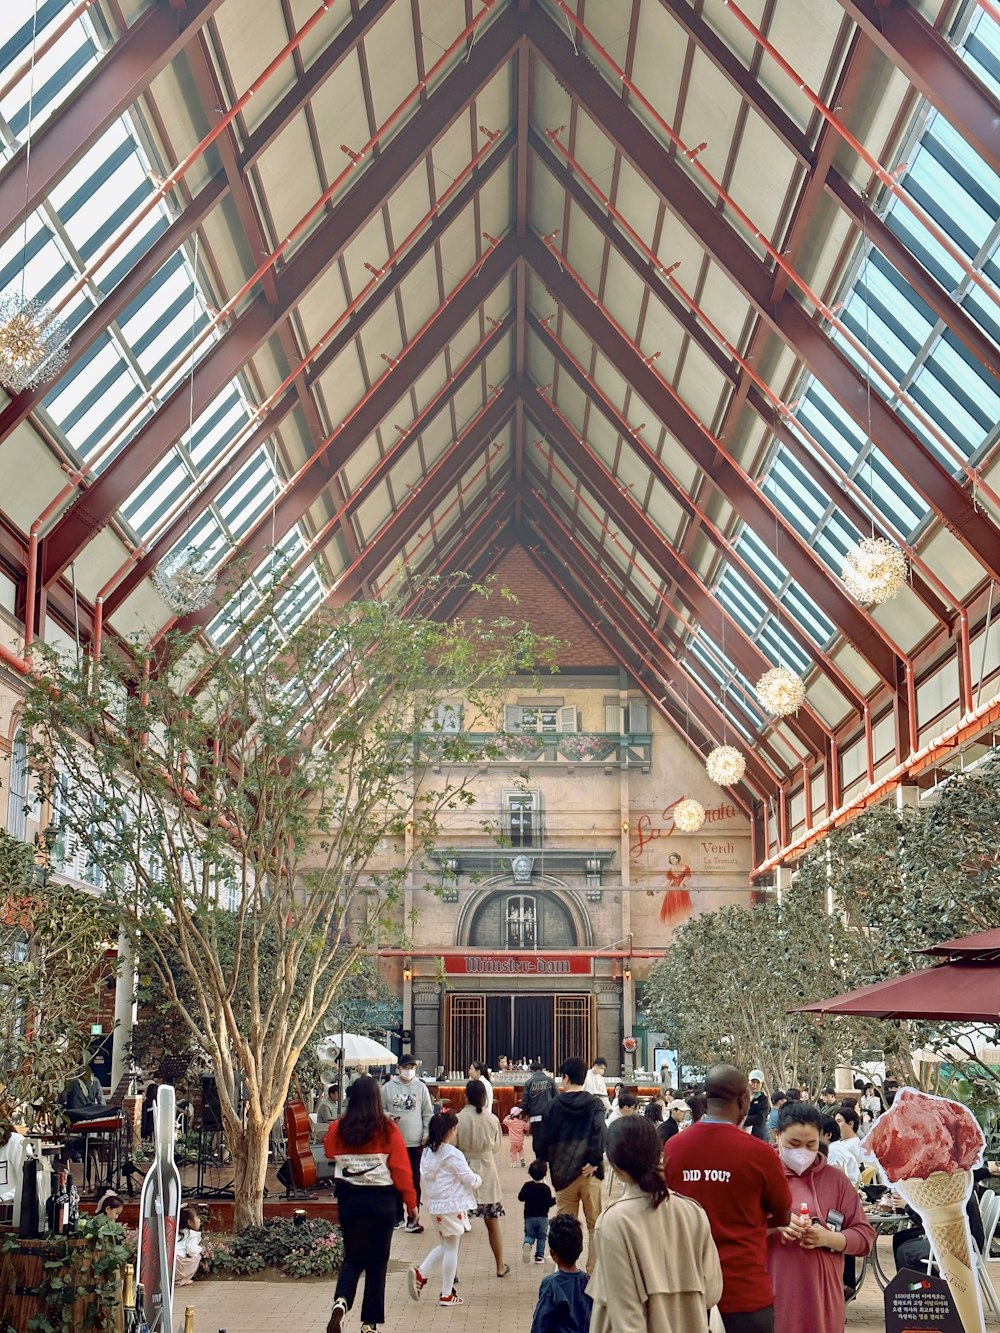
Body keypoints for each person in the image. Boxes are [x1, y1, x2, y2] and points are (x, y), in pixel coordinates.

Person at [664, 1063, 791, 1333]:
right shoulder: (760, 1154)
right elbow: (783, 1214)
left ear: (706, 1097)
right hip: (744, 1292)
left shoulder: (674, 1147)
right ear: (743, 1100)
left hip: (687, 1291)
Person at [590, 1116, 723, 1333]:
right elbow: (713, 1291)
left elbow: (627, 1318)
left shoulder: (614, 1221)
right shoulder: (692, 1212)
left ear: (616, 1166)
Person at [766, 1102, 874, 1333]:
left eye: (811, 1144)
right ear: (777, 1136)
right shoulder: (760, 1175)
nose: (802, 1152)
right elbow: (734, 1231)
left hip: (821, 1297)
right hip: (771, 1292)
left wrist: (828, 1238)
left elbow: (865, 1238)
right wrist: (773, 1224)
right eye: (793, 1144)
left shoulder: (836, 1180)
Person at [324, 1074, 417, 1333]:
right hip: (382, 1203)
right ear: (377, 1099)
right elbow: (401, 1170)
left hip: (350, 1202)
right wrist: (411, 1203)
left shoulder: (339, 1128)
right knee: (377, 1262)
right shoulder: (388, 1129)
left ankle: (341, 1301)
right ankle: (369, 1324)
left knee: (353, 1258)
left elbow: (330, 1150)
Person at [532, 1056, 606, 1275]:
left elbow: (542, 1142)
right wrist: (593, 1160)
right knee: (595, 1225)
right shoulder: (595, 1104)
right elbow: (601, 1132)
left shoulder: (553, 1106)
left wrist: (546, 1158)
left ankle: (566, 1271)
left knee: (566, 1226)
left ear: (565, 1078)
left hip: (563, 1175)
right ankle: (593, 1274)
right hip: (590, 1174)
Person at [408, 1111, 480, 1308]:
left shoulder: (427, 1152)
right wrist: (478, 1179)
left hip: (436, 1205)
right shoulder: (452, 1154)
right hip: (452, 1205)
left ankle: (424, 1275)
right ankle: (444, 1292)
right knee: (451, 1249)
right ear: (449, 1131)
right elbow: (467, 1177)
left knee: (446, 1246)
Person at [455, 1077, 508, 1277]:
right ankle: (500, 1266)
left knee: (458, 1223)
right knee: (492, 1221)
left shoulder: (458, 1119)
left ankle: (454, 1270)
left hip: (464, 1171)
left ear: (465, 1096)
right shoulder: (491, 1119)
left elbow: (453, 1145)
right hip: (487, 1171)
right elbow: (495, 1147)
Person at [381, 1054, 433, 1232]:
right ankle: (397, 1216)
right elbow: (379, 1111)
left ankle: (413, 1217)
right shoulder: (387, 1088)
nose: (409, 1071)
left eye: (412, 1067)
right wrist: (388, 1116)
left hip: (415, 1142)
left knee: (413, 1180)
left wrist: (426, 1132)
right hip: (394, 1142)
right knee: (394, 1179)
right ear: (398, 1068)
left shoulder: (420, 1087)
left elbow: (427, 1112)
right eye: (406, 1067)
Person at [529, 1214, 592, 1333]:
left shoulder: (551, 1284)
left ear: (553, 1253)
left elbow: (540, 1323)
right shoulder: (589, 1282)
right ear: (581, 1248)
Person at [519, 1157, 555, 1264]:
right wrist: (556, 1199)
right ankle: (539, 1257)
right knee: (541, 1237)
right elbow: (549, 1202)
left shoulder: (527, 1186)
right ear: (545, 1174)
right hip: (542, 1217)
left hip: (529, 1216)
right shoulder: (545, 1188)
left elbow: (521, 1197)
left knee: (529, 1235)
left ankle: (527, 1243)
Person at [521, 1060, 557, 1136]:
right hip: (549, 1115)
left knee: (537, 1138)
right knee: (548, 1139)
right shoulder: (550, 1080)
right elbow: (557, 1097)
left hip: (535, 1115)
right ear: (542, 1069)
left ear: (531, 1070)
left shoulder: (528, 1082)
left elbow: (525, 1101)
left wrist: (526, 1113)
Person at [175, 1203, 203, 1286]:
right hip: (179, 1263)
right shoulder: (191, 1234)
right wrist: (200, 1249)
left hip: (169, 1262)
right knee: (197, 1257)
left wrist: (178, 1208)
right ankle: (182, 1280)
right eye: (197, 1218)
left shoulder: (177, 1232)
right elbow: (192, 1250)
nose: (199, 1220)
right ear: (190, 1222)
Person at [744, 1071, 769, 1141]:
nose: (755, 1085)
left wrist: (742, 1120)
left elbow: (760, 1117)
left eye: (758, 1082)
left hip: (756, 1135)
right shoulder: (742, 1096)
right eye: (752, 1081)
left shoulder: (763, 1099)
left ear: (762, 1084)